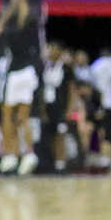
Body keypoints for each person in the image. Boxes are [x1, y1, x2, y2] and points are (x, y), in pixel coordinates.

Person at [0, 0, 44, 175]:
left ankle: (29, 153)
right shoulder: (7, 27)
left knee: (23, 116)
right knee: (7, 114)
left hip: (25, 68)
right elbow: (10, 7)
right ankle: (10, 155)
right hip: (12, 67)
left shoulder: (30, 21)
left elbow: (22, 7)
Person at [40, 42, 77, 173]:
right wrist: (42, 109)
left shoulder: (66, 68)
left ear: (59, 52)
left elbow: (72, 90)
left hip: (61, 107)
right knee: (49, 136)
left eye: (53, 49)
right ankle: (51, 162)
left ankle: (61, 164)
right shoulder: (45, 67)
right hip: (48, 106)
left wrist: (70, 109)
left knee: (60, 135)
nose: (50, 51)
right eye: (49, 48)